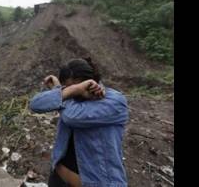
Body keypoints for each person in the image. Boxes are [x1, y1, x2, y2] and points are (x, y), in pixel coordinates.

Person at [29, 58, 129, 187]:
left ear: (90, 80)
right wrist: (67, 89)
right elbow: (36, 104)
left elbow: (72, 117)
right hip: (58, 179)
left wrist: (66, 92)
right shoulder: (72, 99)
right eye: (70, 88)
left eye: (76, 86)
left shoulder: (114, 101)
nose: (74, 92)